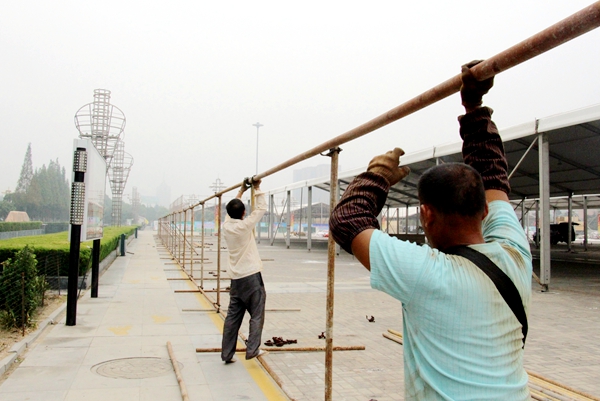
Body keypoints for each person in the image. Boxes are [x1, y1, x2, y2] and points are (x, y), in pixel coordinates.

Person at [329, 61, 532, 400]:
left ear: (425, 214)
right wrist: (474, 108)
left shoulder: (426, 273)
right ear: (484, 210)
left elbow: (347, 221)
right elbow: (494, 178)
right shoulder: (515, 252)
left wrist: (376, 175)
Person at [221, 177, 269, 363]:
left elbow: (231, 209)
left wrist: (241, 191)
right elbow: (261, 209)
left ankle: (227, 354)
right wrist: (257, 188)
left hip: (236, 279)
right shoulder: (244, 226)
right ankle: (252, 350)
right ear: (243, 213)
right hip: (251, 276)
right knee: (256, 314)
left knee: (233, 317)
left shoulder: (226, 226)